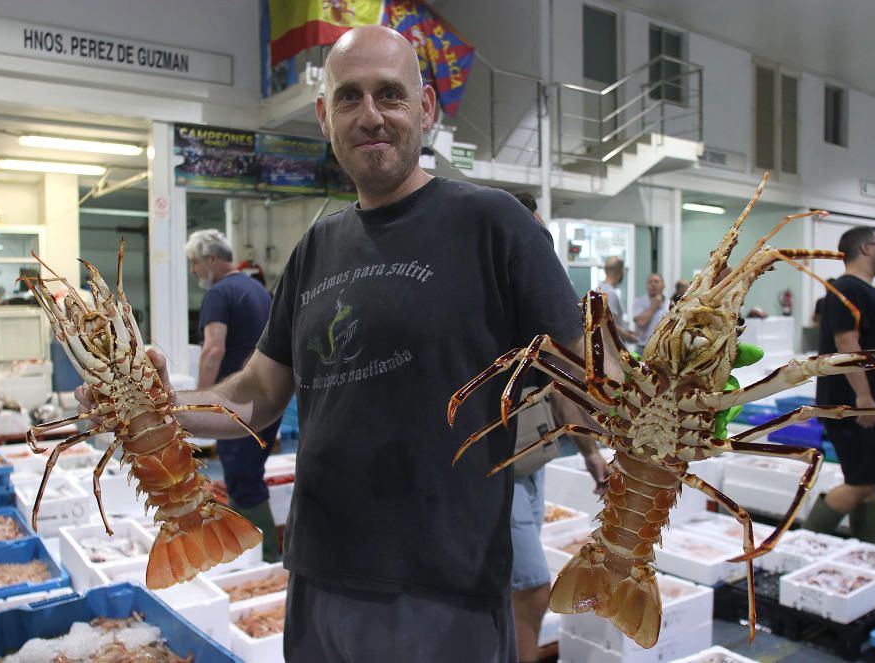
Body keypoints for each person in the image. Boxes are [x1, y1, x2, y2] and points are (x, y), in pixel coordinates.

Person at [80, 25, 606, 662]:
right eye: (350, 98)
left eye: (390, 94)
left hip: (442, 588)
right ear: (326, 117)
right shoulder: (315, 249)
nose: (372, 115)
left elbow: (584, 374)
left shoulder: (494, 224)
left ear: (427, 109)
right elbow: (255, 395)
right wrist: (160, 405)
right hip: (319, 574)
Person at [509, 190, 607, 663]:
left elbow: (559, 377)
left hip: (530, 456)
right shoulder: (479, 300)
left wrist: (591, 454)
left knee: (511, 589)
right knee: (529, 590)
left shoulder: (532, 304)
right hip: (487, 465)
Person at [805, 226, 875, 543]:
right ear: (865, 248)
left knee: (869, 483)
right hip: (858, 410)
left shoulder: (863, 291)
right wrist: (864, 395)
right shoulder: (846, 289)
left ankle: (868, 550)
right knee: (862, 483)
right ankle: (803, 543)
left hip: (871, 409)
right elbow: (845, 341)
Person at [185, 228, 281, 563]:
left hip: (236, 405)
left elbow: (213, 350)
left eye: (195, 263)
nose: (194, 270)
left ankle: (264, 560)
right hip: (267, 403)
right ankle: (248, 555)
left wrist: (197, 404)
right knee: (248, 474)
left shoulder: (218, 293)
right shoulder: (257, 290)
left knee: (243, 479)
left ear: (212, 260)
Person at [596, 256, 638, 344]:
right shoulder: (610, 293)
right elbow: (609, 323)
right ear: (620, 272)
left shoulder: (599, 289)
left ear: (605, 270)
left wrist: (627, 331)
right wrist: (629, 337)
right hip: (611, 347)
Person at [632, 273, 669, 353]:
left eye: (656, 281)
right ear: (647, 285)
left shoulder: (669, 304)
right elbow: (641, 322)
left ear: (663, 285)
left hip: (662, 349)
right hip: (643, 348)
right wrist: (653, 306)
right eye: (650, 282)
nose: (653, 284)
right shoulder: (639, 302)